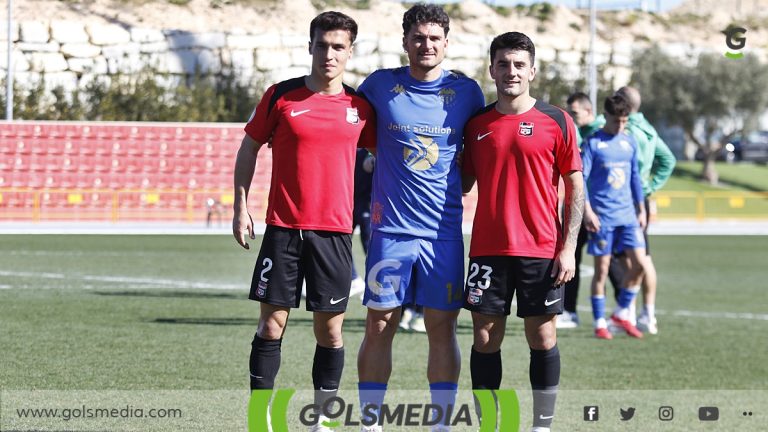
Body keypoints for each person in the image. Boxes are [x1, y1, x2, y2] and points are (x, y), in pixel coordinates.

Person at [232, 11, 375, 432]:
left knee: (330, 333)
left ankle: (320, 419)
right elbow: (248, 148)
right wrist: (241, 206)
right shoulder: (281, 96)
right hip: (283, 230)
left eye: (338, 47)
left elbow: (386, 158)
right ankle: (261, 419)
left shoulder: (359, 107)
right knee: (271, 324)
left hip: (333, 234)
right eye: (322, 44)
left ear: (350, 52)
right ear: (309, 45)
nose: (328, 54)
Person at [355, 4, 485, 431]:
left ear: (446, 43)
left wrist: (462, 183)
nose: (426, 45)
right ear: (405, 40)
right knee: (379, 323)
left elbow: (475, 154)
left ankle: (441, 421)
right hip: (390, 232)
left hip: (442, 235)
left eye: (434, 38)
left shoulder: (467, 93)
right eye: (418, 37)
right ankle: (371, 420)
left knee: (441, 327)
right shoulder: (379, 85)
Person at [461, 32, 584, 432]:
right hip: (488, 249)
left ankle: (541, 426)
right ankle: (492, 424)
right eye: (503, 64)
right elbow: (461, 183)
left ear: (532, 70)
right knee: (484, 338)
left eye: (518, 64)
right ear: (491, 68)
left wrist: (568, 248)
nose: (510, 72)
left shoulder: (557, 121)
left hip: (541, 249)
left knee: (543, 337)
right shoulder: (476, 124)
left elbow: (575, 186)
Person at [581, 94, 647, 340]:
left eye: (624, 121)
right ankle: (600, 322)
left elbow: (634, 178)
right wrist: (588, 211)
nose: (620, 125)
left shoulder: (629, 142)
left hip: (628, 216)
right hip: (603, 218)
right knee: (602, 271)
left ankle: (621, 313)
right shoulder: (593, 143)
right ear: (606, 116)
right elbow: (581, 181)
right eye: (616, 120)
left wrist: (641, 208)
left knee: (640, 266)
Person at [612, 86, 676, 334]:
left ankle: (631, 314)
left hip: (626, 201)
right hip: (641, 200)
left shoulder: (629, 131)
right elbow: (668, 159)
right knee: (639, 259)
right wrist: (652, 186)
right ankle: (643, 313)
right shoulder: (649, 130)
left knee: (638, 261)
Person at [560, 92, 617, 329]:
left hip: (598, 208)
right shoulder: (576, 133)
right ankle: (569, 311)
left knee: (610, 262)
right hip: (579, 206)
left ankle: (623, 310)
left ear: (588, 111)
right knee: (569, 256)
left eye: (575, 113)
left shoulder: (601, 136)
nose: (572, 118)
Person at [351, 148, 375, 297]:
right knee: (342, 242)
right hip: (351, 201)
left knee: (369, 246)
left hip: (368, 203)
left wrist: (372, 158)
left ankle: (373, 283)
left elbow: (369, 164)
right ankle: (354, 279)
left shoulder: (369, 148)